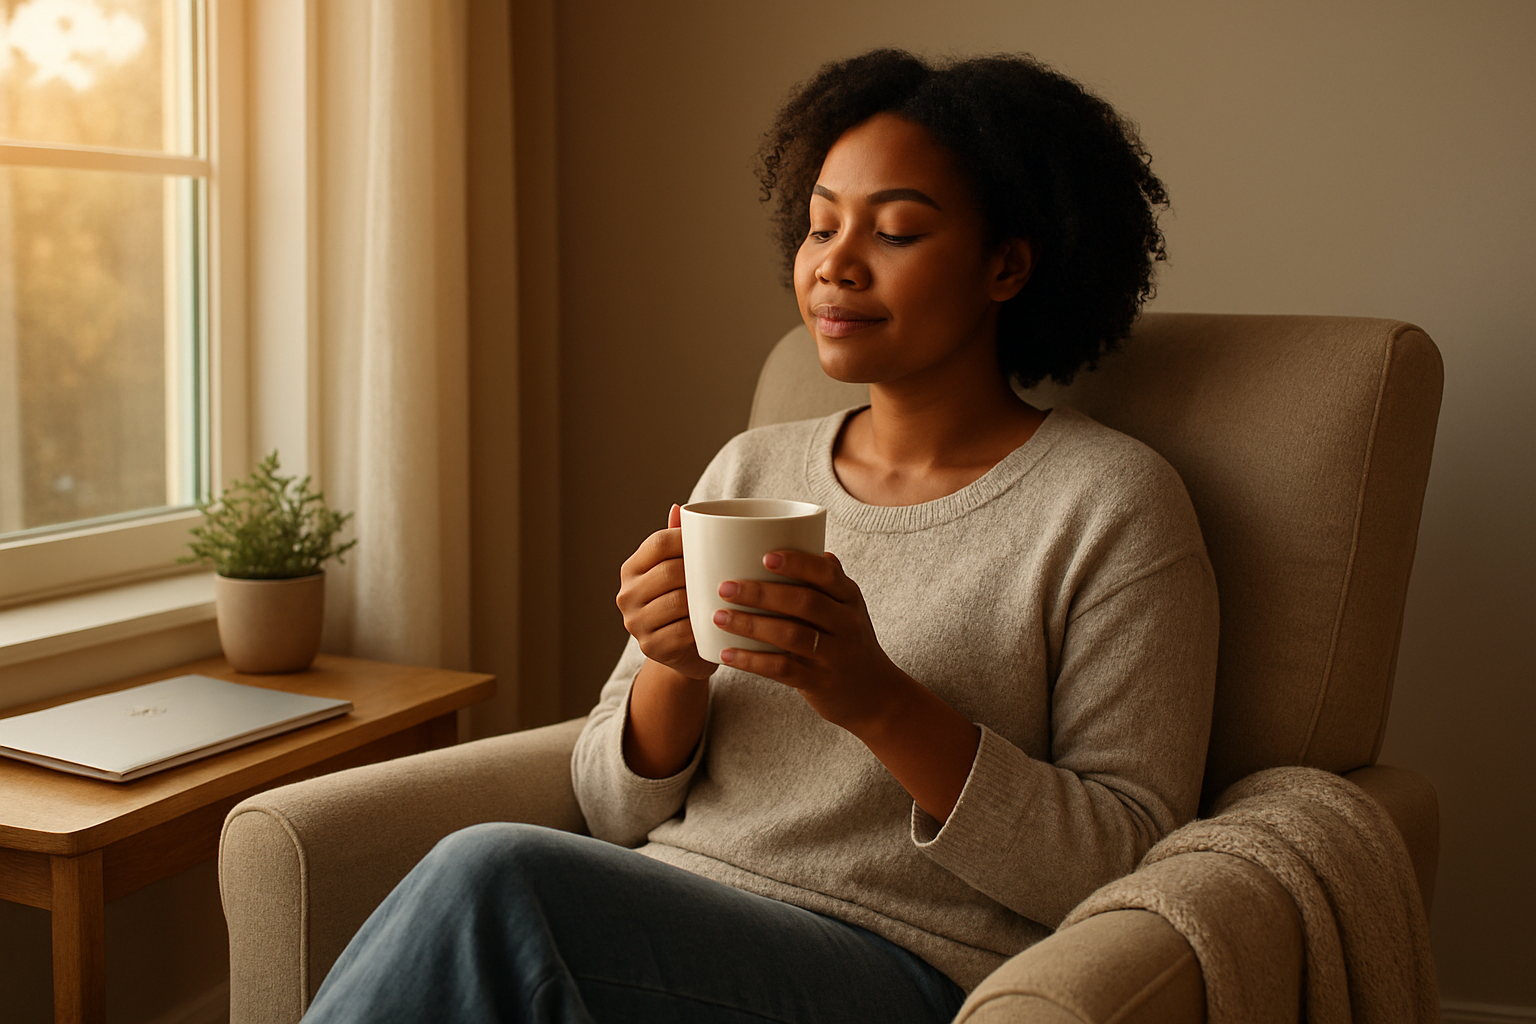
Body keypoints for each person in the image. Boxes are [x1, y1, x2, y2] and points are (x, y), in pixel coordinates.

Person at [301, 48, 1219, 1024]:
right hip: (673, 918)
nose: (836, 261)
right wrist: (674, 667)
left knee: (494, 877)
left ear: (1008, 263)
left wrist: (875, 698)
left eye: (896, 229)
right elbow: (612, 811)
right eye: (821, 225)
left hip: (906, 962)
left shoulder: (1109, 505)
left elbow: (1126, 859)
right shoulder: (752, 469)